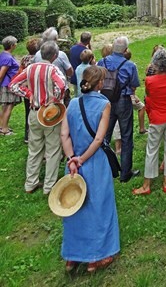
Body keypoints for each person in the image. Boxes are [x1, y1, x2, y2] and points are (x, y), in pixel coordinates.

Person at [60, 65, 119, 274]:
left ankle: (72, 257)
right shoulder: (104, 104)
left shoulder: (73, 104)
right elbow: (99, 139)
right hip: (94, 162)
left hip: (74, 166)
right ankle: (96, 257)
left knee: (74, 209)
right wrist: (82, 158)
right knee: (98, 207)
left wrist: (71, 159)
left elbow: (64, 135)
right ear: (100, 83)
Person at [9, 41, 66, 194]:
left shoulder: (30, 68)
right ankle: (49, 186)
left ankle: (30, 183)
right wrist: (55, 98)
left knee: (34, 149)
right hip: (50, 113)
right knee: (53, 149)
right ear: (54, 56)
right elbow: (62, 85)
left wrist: (28, 94)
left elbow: (13, 85)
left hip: (34, 112)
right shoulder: (53, 69)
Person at [133, 48, 166, 195]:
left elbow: (148, 96)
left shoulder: (149, 81)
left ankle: (147, 185)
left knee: (152, 150)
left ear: (156, 65)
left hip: (156, 118)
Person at [98, 36, 141, 183]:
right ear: (125, 50)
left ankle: (104, 168)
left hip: (105, 101)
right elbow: (134, 84)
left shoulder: (101, 62)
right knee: (126, 136)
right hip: (123, 100)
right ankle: (125, 172)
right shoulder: (130, 65)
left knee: (104, 135)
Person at [18, 38, 41, 143]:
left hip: (26, 89)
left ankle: (27, 136)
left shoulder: (24, 59)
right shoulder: (38, 59)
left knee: (28, 111)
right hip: (36, 87)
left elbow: (20, 72)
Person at [0, 36, 20, 135]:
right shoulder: (7, 58)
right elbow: (1, 74)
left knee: (4, 107)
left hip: (6, 84)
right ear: (12, 45)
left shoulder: (3, 55)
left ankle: (2, 126)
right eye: (15, 43)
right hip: (8, 85)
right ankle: (5, 129)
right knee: (9, 106)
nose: (16, 44)